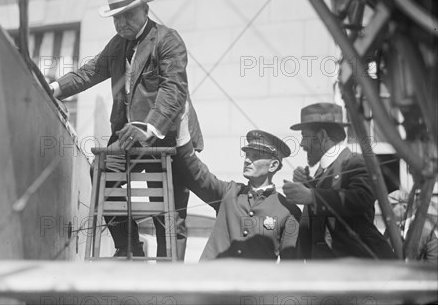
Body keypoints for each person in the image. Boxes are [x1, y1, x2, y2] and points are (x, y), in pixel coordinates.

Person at [50, 0, 205, 259]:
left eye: (128, 15)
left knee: (169, 214)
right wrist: (54, 89)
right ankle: (129, 245)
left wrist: (151, 127)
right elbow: (89, 72)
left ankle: (169, 281)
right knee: (101, 174)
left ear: (145, 10)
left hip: (168, 136)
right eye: (117, 18)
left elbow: (174, 90)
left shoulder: (168, 39)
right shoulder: (118, 44)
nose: (122, 24)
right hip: (129, 136)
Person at [282, 102, 396, 259]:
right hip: (327, 269)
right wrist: (309, 184)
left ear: (322, 136)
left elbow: (361, 198)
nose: (301, 144)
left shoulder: (355, 162)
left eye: (305, 137)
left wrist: (311, 195)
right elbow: (328, 201)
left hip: (360, 268)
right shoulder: (324, 171)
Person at [181, 130, 300, 260]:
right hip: (212, 278)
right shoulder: (229, 192)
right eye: (247, 155)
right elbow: (195, 173)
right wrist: (182, 136)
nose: (247, 160)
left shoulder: (288, 211)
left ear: (273, 165)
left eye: (255, 156)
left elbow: (291, 266)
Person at [387, 190, 437, 263]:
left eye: (391, 206)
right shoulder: (390, 228)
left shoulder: (426, 231)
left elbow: (433, 263)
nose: (388, 209)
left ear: (404, 206)